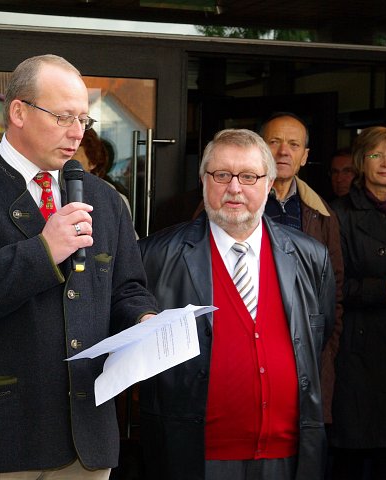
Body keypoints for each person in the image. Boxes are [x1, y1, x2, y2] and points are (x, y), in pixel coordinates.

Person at [0, 54, 157, 479]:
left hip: (85, 439)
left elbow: (126, 288)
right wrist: (43, 252)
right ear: (18, 112)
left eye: (83, 119)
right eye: (63, 117)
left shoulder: (103, 199)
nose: (77, 132)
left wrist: (145, 319)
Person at [138, 128, 336, 480]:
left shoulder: (310, 257)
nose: (234, 188)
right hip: (196, 457)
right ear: (203, 180)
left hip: (287, 457)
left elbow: (317, 339)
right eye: (221, 175)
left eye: (248, 176)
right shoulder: (154, 256)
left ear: (269, 183)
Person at [330, 126, 386, 480]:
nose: (385, 163)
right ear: (360, 161)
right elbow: (331, 286)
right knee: (355, 451)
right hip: (359, 346)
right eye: (376, 155)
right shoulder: (340, 213)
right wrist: (382, 291)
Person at [260, 112, 344, 431]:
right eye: (274, 141)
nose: (284, 151)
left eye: (294, 145)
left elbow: (334, 292)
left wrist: (323, 349)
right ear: (258, 147)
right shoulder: (232, 199)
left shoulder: (321, 213)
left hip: (303, 350)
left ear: (305, 156)